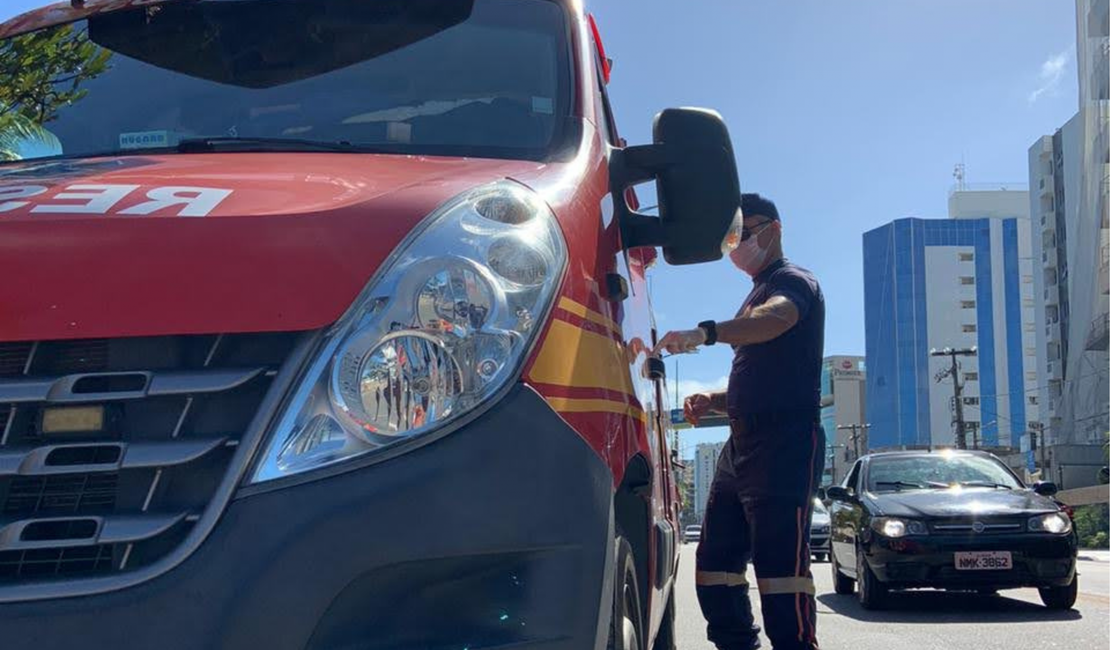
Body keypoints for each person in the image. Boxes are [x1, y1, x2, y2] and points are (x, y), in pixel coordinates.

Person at [655, 193, 825, 650]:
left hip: (784, 442)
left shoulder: (793, 281)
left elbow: (776, 320)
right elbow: (764, 380)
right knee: (714, 567)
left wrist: (708, 332)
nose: (736, 246)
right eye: (731, 238)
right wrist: (713, 400)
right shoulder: (756, 290)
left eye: (744, 234)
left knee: (780, 574)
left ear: (774, 229)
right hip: (741, 447)